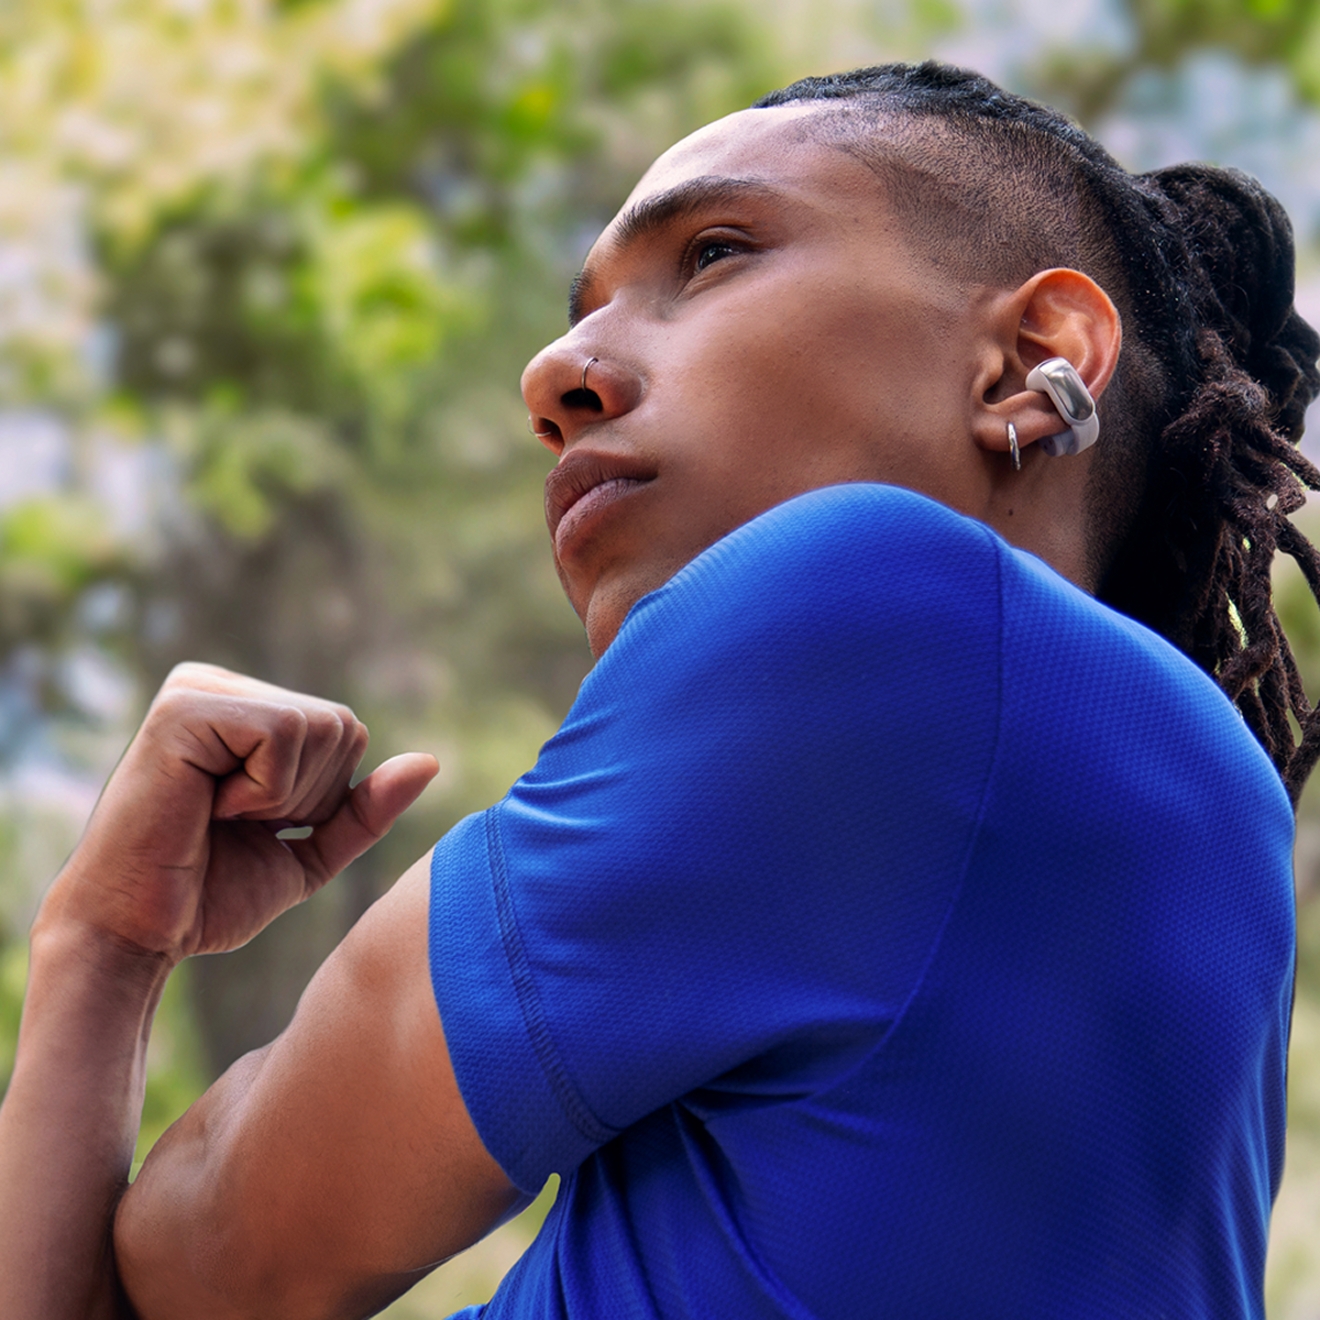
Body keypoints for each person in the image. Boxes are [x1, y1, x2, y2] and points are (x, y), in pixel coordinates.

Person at [1, 59, 1318, 1319]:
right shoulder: (1206, 810)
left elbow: (198, 1271)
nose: (554, 378)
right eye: (581, 305)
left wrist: (104, 947)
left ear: (1033, 357)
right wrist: (99, 942)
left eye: (711, 256)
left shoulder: (873, 597)